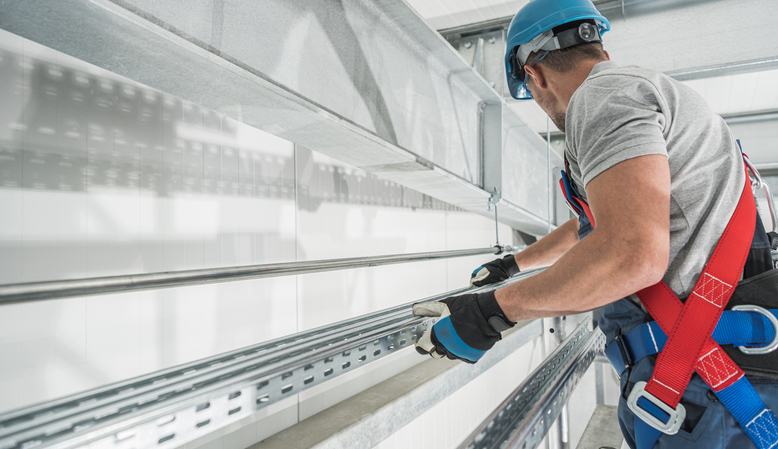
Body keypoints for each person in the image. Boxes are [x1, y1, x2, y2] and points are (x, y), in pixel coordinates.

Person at [413, 0, 778, 448]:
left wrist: (489, 312)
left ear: (535, 75)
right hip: (709, 381)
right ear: (600, 48)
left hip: (707, 386)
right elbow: (595, 225)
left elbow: (631, 253)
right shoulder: (644, 94)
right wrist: (512, 265)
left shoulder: (602, 98)